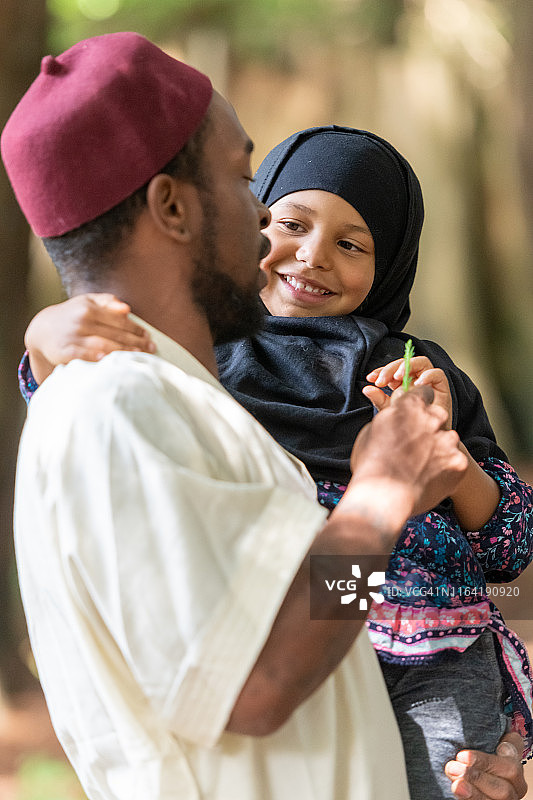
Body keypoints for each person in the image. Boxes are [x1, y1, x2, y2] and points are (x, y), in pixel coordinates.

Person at [5, 33, 528, 800]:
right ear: (173, 206)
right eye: (244, 179)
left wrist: (484, 758)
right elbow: (261, 687)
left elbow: (320, 634)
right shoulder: (120, 411)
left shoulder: (183, 403)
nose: (263, 220)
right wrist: (378, 504)